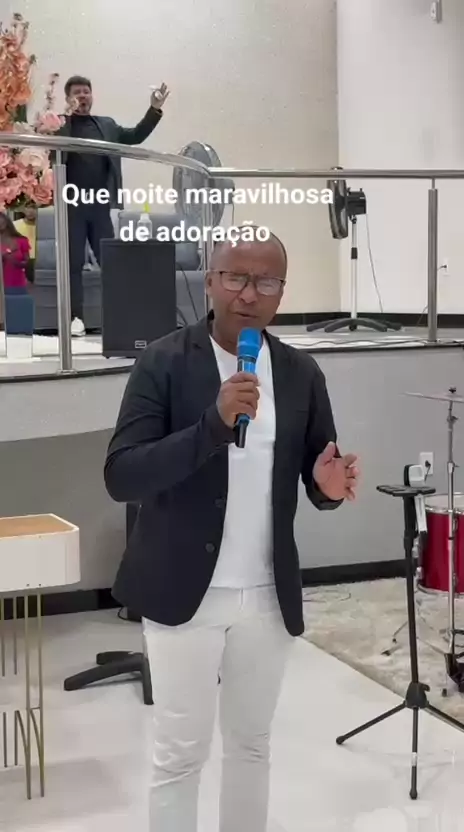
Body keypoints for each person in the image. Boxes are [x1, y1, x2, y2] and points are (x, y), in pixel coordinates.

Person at [104, 231, 360, 832]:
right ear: (210, 282)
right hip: (182, 592)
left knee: (251, 746)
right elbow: (122, 474)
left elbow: (317, 476)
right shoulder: (164, 361)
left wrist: (327, 487)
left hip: (266, 597)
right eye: (236, 278)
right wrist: (212, 427)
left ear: (281, 292)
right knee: (180, 754)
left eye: (265, 281)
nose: (249, 294)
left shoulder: (299, 372)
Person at [58, 75, 170, 338]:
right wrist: (65, 117)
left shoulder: (106, 125)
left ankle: (119, 318)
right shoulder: (60, 125)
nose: (83, 96)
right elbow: (55, 153)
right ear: (68, 98)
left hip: (99, 204)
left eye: (86, 91)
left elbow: (135, 136)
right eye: (77, 92)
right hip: (71, 204)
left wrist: (154, 109)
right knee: (72, 263)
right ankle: (75, 318)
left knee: (110, 261)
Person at [0, 212, 31, 292]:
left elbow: (27, 262)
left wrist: (19, 264)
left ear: (7, 223)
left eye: (2, 222)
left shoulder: (22, 240)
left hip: (18, 284)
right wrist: (6, 254)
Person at [14, 203, 37, 283]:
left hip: (39, 261)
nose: (31, 211)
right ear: (23, 209)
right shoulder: (15, 225)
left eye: (34, 208)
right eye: (28, 207)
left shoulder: (44, 225)